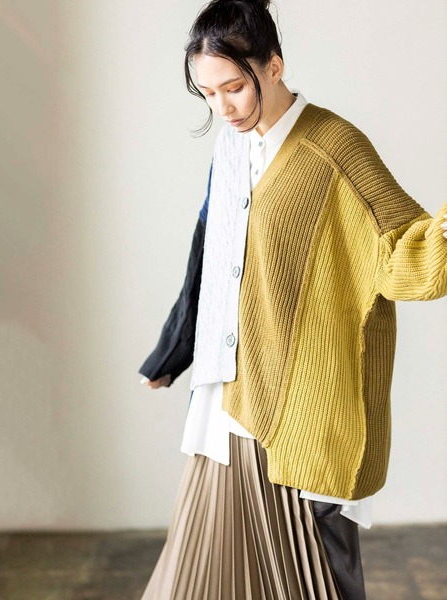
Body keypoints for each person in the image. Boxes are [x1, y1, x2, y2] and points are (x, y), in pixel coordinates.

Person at [138, 0, 447, 598]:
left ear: (274, 67)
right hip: (229, 398)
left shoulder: (335, 148)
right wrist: (174, 350)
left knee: (320, 578)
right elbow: (210, 253)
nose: (223, 108)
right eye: (208, 93)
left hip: (307, 409)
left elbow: (402, 251)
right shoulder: (232, 148)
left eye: (234, 88)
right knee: (205, 572)